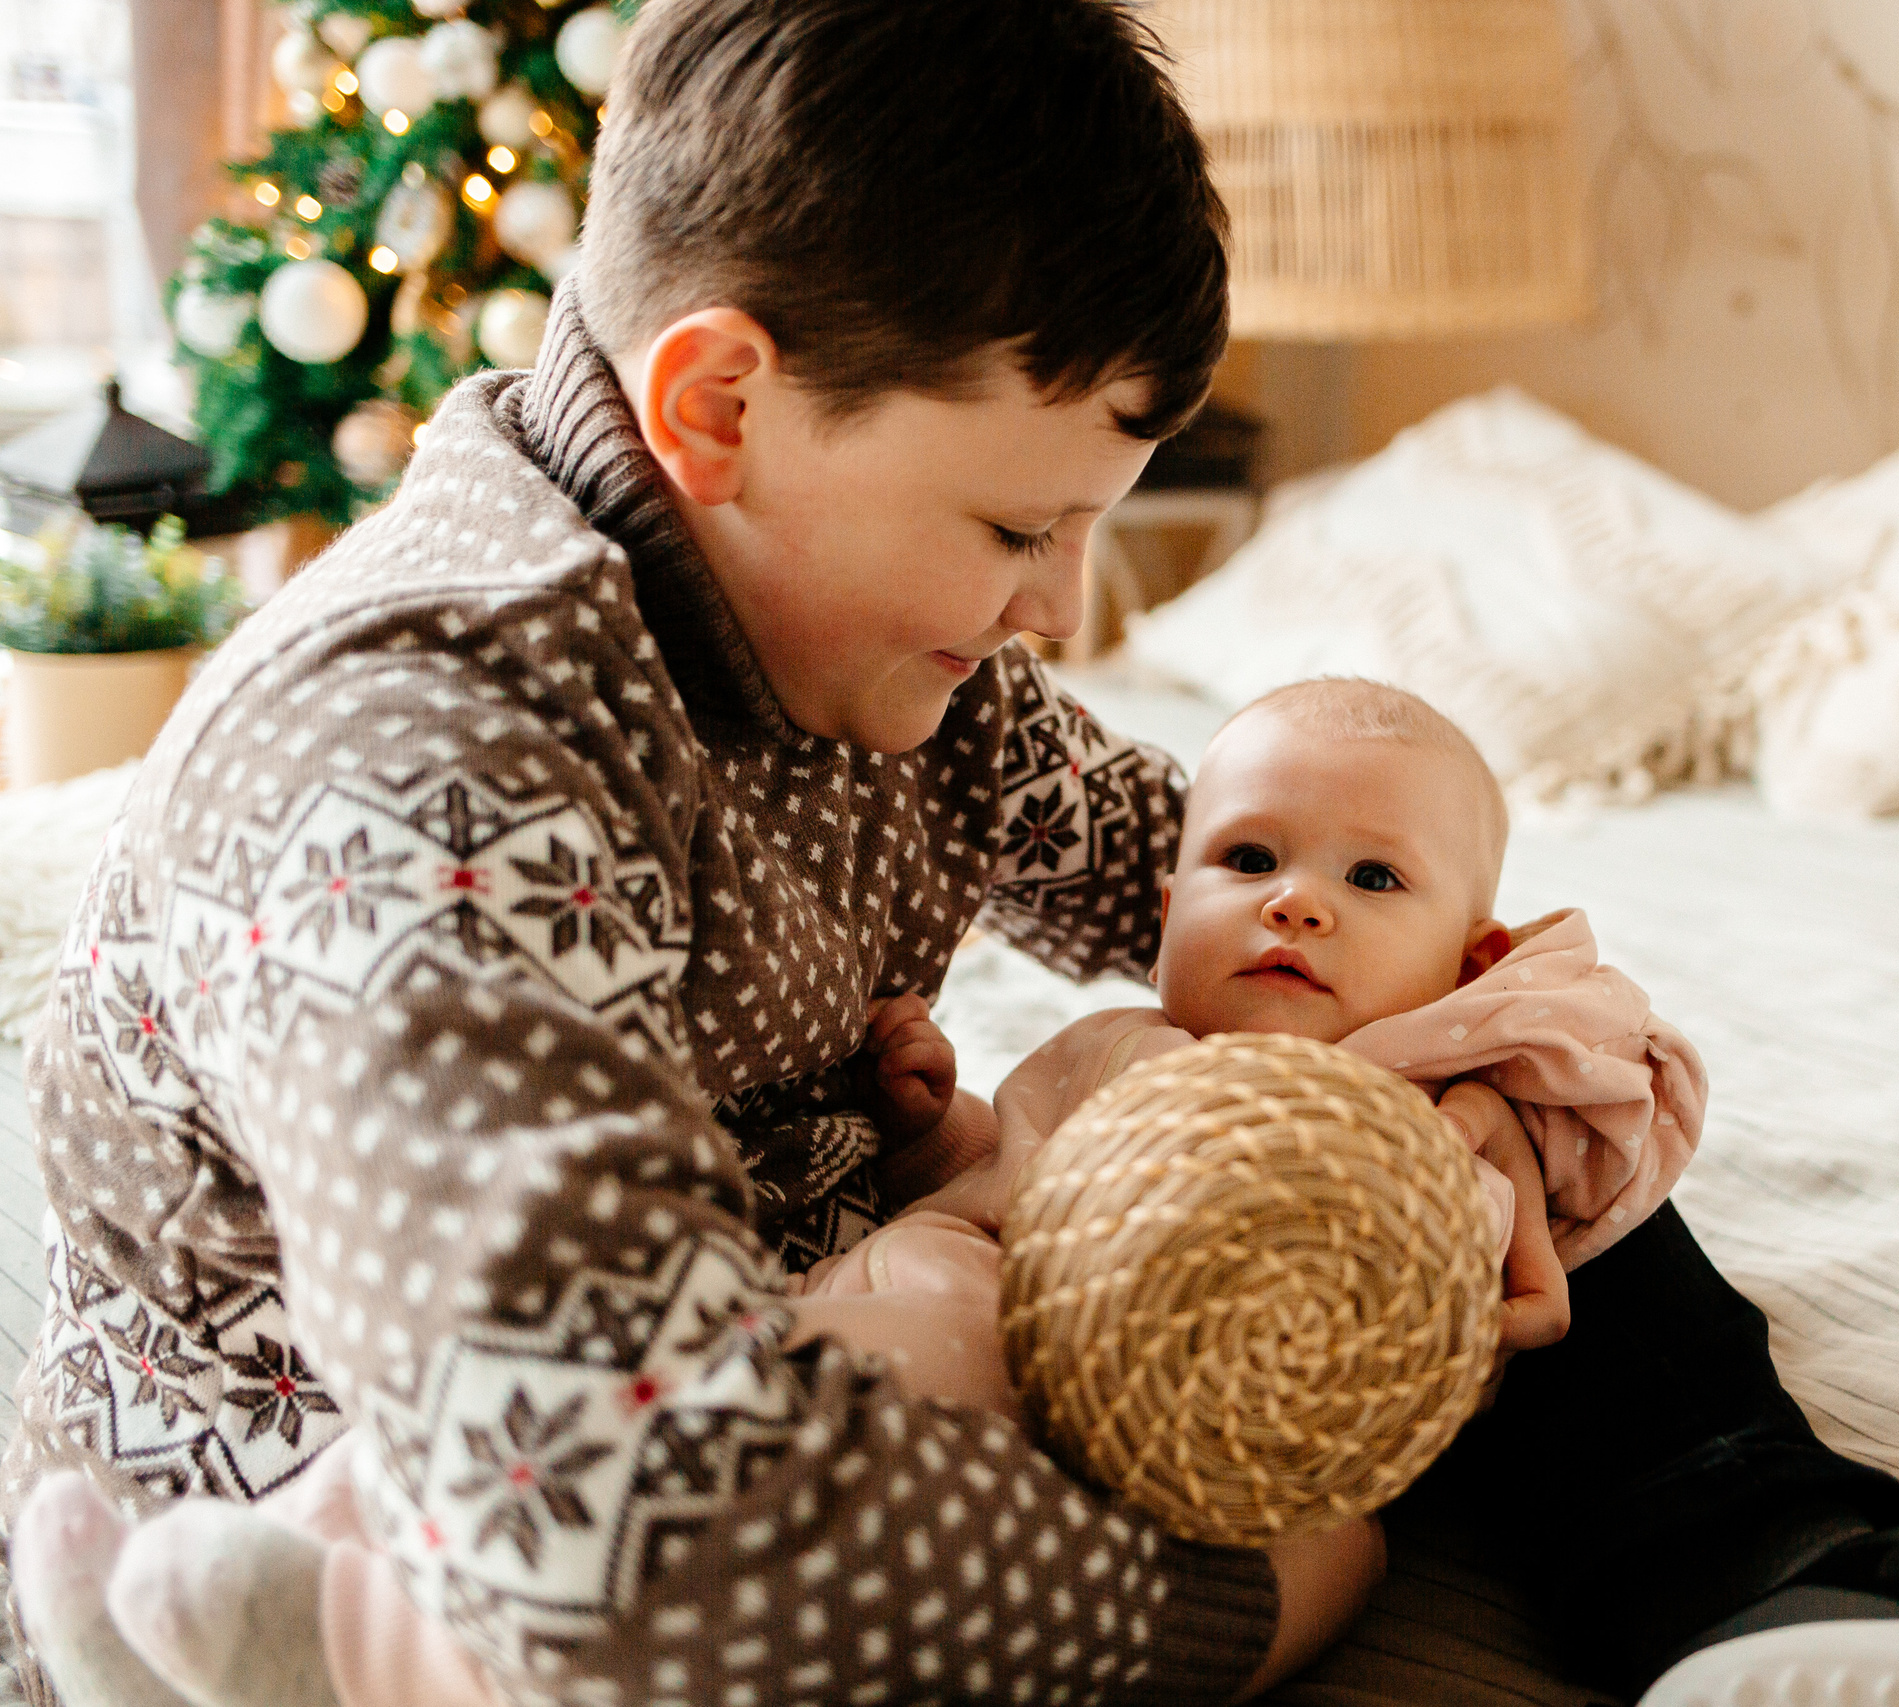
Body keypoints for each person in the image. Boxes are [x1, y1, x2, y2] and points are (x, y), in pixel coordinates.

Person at [2, 3, 1365, 1704]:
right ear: (717, 401)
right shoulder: (408, 765)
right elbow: (628, 1536)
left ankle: (1760, 1586)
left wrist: (1508, 1027)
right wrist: (1269, 1592)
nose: (1060, 613)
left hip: (777, 1398)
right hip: (321, 1621)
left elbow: (1239, 889)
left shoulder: (899, 673)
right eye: (1018, 528)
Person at [55, 677, 1707, 1707]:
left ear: (1470, 954)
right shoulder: (1115, 1038)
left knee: (1301, 1576)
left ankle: (390, 1661)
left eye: (1373, 879)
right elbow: (998, 1181)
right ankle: (229, 1572)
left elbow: (1584, 1096)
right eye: (1247, 861)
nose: (1299, 910)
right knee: (610, 1405)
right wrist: (928, 1129)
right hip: (944, 1330)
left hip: (1232, 1469)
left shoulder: (1425, 1100)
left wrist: (1476, 1127)